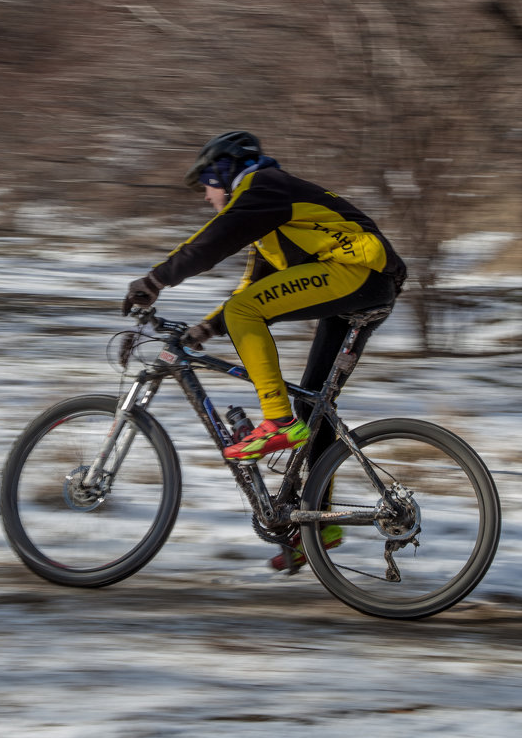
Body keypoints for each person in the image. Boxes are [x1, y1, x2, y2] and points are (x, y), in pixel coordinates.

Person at [122, 131, 407, 566]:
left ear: (225, 170)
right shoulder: (269, 211)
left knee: (245, 313)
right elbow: (255, 283)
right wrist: (207, 328)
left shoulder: (264, 186)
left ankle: (275, 420)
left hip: (358, 274)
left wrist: (156, 279)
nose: (205, 195)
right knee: (314, 406)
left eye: (207, 183)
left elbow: (213, 241)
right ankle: (318, 525)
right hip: (366, 284)